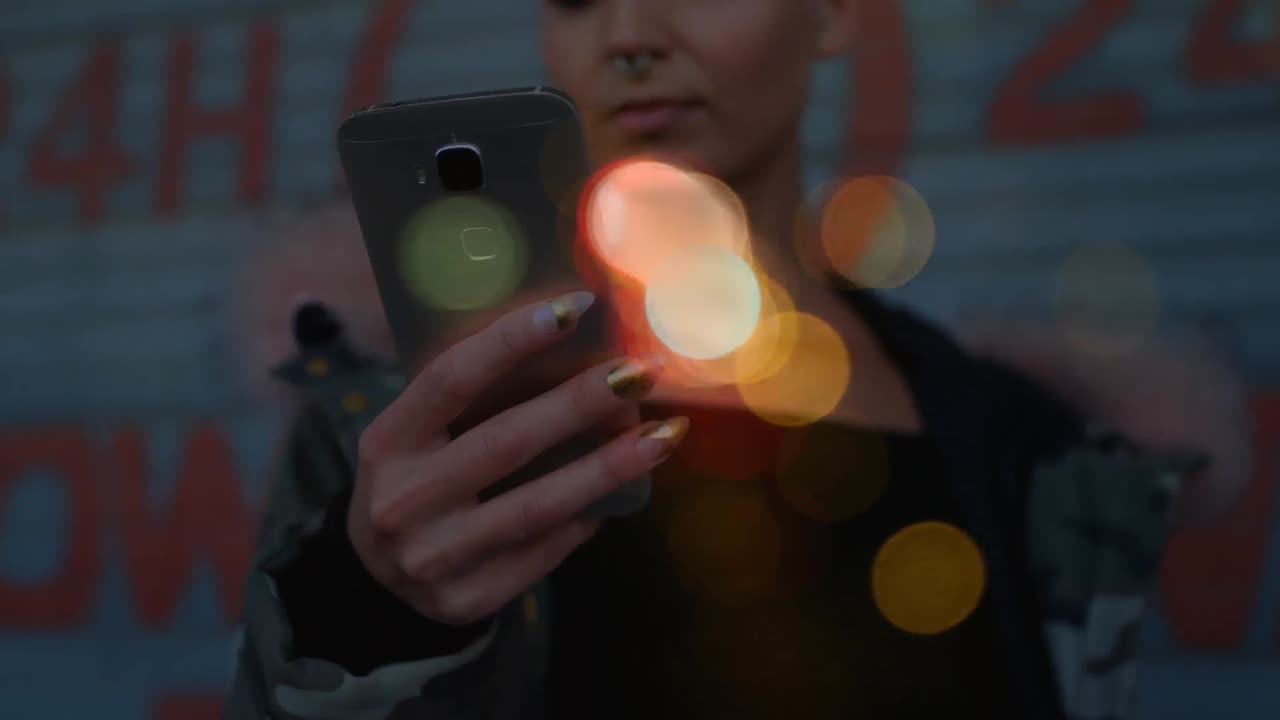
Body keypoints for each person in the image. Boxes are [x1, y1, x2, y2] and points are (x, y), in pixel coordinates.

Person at [225, 1, 1247, 718]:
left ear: (835, 10)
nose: (628, 36)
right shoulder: (400, 434)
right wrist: (369, 612)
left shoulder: (1019, 443)